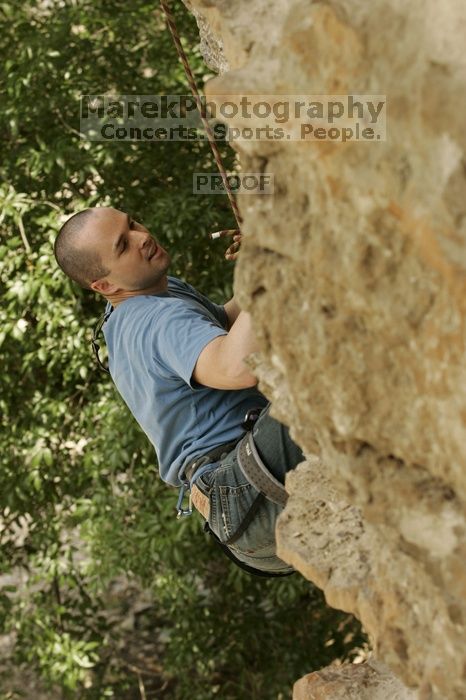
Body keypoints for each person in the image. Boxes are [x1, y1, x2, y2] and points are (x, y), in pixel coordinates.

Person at [54, 206, 305, 575]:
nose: (142, 237)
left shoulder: (153, 296)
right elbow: (235, 367)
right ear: (105, 285)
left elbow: (230, 325)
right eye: (123, 245)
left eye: (133, 223)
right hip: (250, 492)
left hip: (242, 509)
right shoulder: (154, 320)